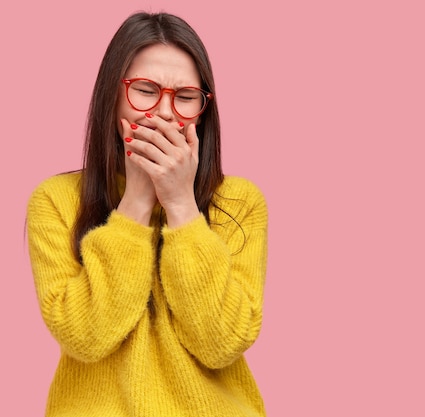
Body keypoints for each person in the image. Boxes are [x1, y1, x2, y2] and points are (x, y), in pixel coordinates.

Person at [26, 11, 268, 416]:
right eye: (145, 90)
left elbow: (222, 342)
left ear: (204, 110)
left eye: (186, 97)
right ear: (113, 95)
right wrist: (136, 202)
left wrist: (180, 206)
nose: (165, 113)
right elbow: (85, 335)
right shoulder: (56, 200)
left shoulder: (239, 203)